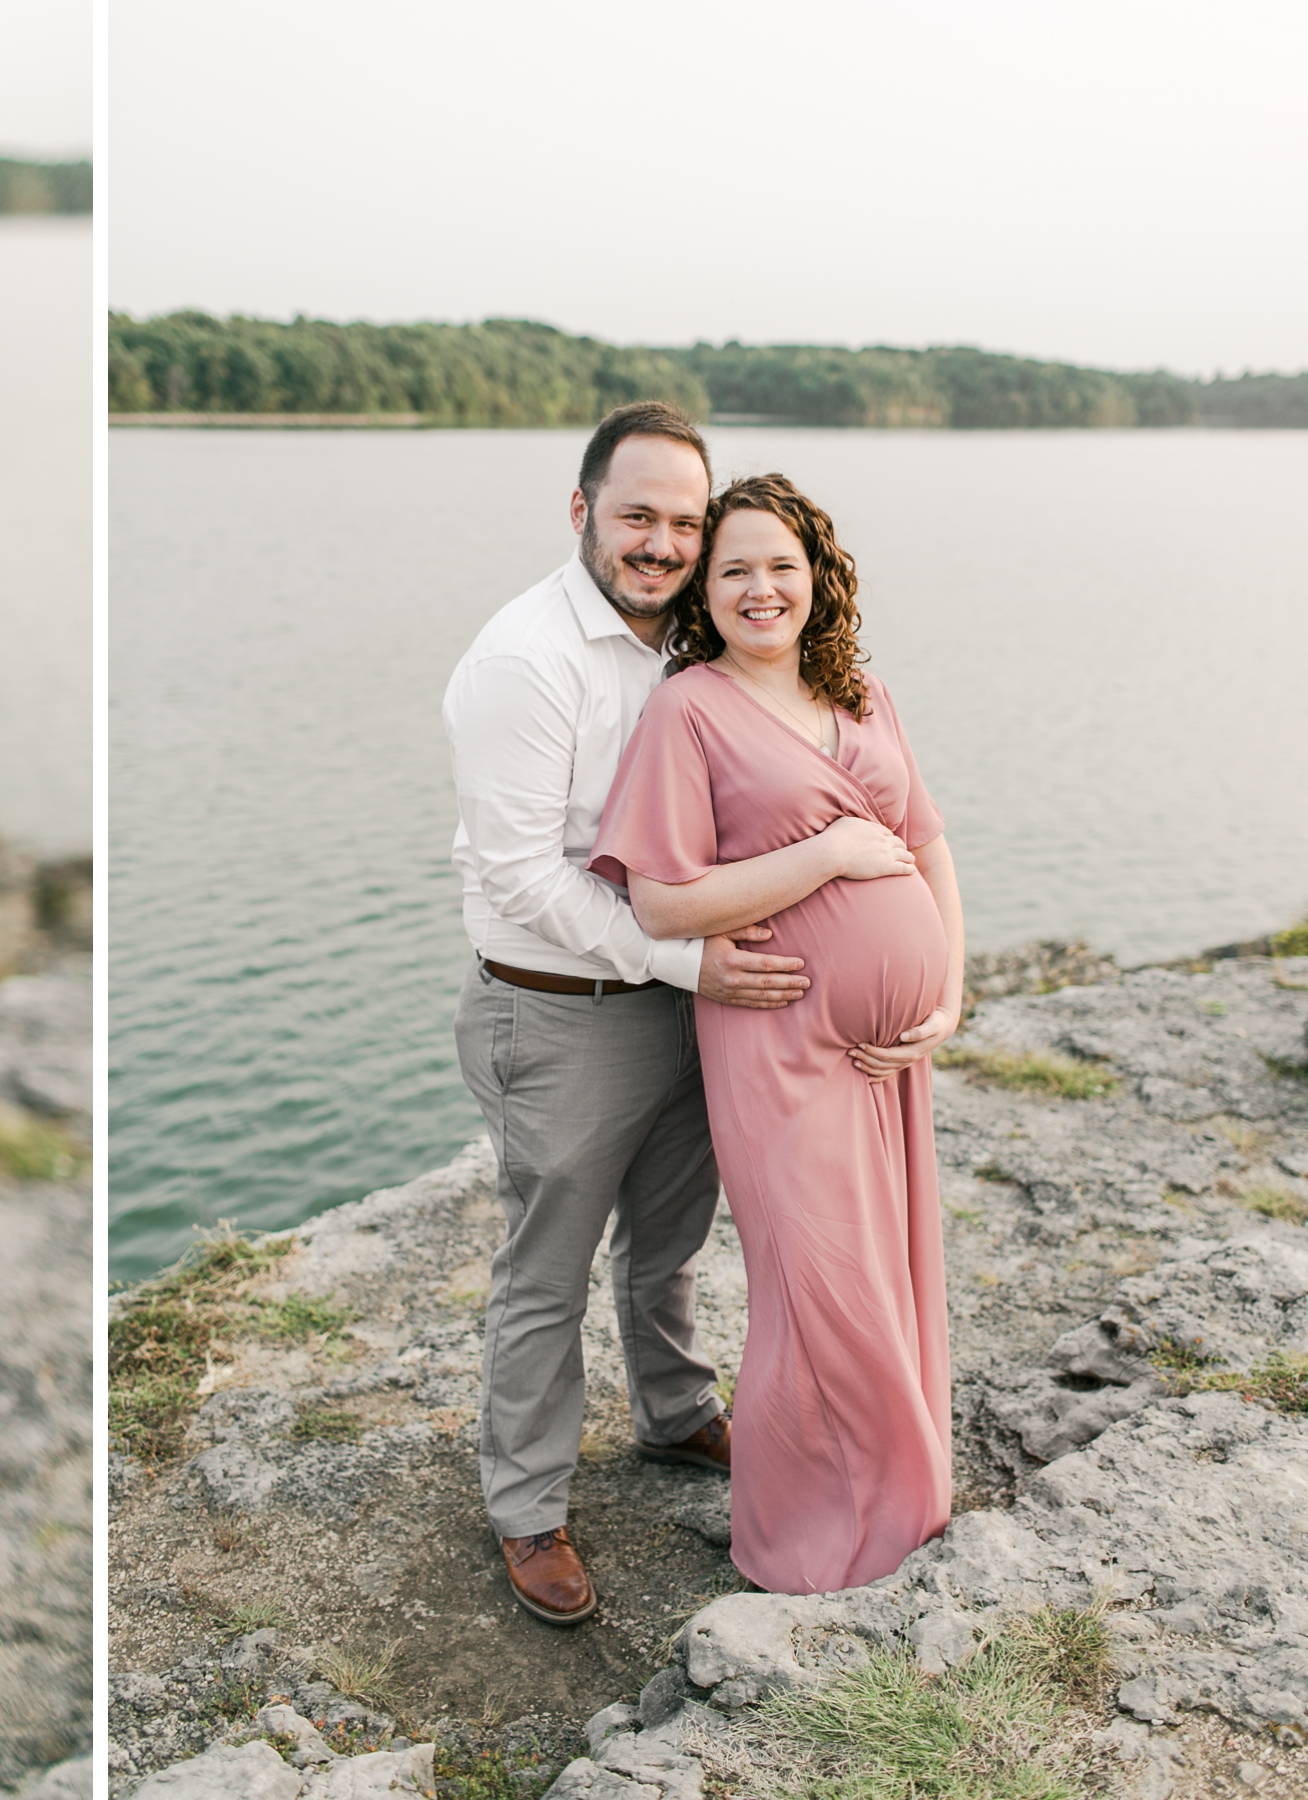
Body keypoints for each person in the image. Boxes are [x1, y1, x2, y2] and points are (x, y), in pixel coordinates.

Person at [442, 402, 813, 1626]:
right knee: (544, 1274)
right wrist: (687, 960)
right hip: (558, 1012)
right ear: (582, 512)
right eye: (636, 516)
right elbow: (521, 877)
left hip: (675, 1000)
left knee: (669, 1239)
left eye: (683, 523)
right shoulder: (523, 660)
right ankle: (527, 1506)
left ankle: (672, 1413)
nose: (660, 543)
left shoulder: (691, 641)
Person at [588, 472, 962, 1594]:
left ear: (818, 577)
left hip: (889, 1058)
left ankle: (903, 1500)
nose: (761, 588)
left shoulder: (864, 691)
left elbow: (932, 844)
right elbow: (660, 901)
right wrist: (829, 858)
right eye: (735, 568)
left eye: (781, 566)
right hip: (775, 1042)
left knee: (892, 1273)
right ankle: (813, 1542)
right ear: (708, 587)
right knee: (820, 1285)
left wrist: (947, 994)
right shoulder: (688, 709)